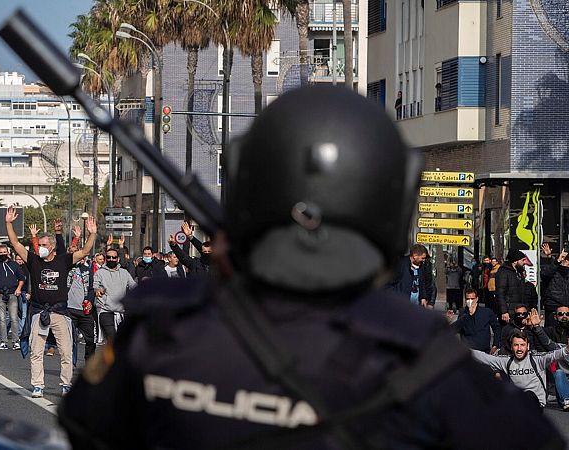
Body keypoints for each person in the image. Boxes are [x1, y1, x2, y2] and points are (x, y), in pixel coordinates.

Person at [58, 86, 562, 449]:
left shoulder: (163, 333)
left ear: (247, 184)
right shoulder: (422, 360)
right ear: (394, 202)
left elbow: (84, 427)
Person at [5, 206, 97, 398]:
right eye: (39, 244)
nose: (40, 247)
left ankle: (66, 384)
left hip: (60, 313)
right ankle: (38, 385)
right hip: (39, 312)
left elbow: (85, 251)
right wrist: (8, 223)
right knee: (36, 351)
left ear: (52, 247)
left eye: (44, 244)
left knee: (66, 352)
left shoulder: (64, 260)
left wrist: (92, 234)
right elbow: (15, 243)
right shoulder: (33, 260)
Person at [470, 330, 569, 409]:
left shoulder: (537, 359)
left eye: (522, 345)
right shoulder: (506, 361)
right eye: (516, 345)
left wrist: (567, 349)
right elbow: (484, 357)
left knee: (529, 395)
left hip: (537, 405)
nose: (519, 349)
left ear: (528, 346)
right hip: (517, 405)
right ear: (511, 347)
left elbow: (554, 355)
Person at [0, 244, 26, 350]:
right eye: (1, 252)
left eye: (4, 252)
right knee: (2, 319)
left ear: (8, 252)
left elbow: (22, 278)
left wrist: (18, 289)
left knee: (14, 318)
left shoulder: (14, 265)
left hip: (12, 293)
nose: (3, 254)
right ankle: (3, 341)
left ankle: (16, 341)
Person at [94, 248, 137, 343]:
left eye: (114, 257)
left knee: (123, 341)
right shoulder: (99, 273)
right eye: (109, 257)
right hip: (105, 311)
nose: (111, 259)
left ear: (118, 259)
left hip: (121, 312)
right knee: (113, 339)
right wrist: (97, 290)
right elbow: (95, 286)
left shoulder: (124, 272)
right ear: (106, 258)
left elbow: (134, 287)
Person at [446, 289, 500, 354]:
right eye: (468, 299)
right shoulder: (463, 314)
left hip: (483, 351)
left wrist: (495, 345)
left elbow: (496, 328)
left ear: (476, 299)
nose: (470, 301)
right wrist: (447, 321)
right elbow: (454, 330)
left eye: (472, 299)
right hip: (467, 351)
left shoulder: (486, 312)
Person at [497, 249, 533, 323]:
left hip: (520, 311)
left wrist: (526, 310)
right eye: (523, 260)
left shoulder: (519, 272)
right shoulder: (504, 272)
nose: (525, 262)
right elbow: (500, 293)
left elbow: (522, 293)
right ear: (515, 261)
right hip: (509, 312)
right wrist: (504, 311)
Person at [545, 305, 569, 410]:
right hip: (560, 375)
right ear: (555, 317)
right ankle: (567, 401)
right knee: (559, 373)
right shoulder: (550, 331)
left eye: (567, 314)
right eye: (561, 314)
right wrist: (534, 327)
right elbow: (542, 339)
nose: (564, 316)